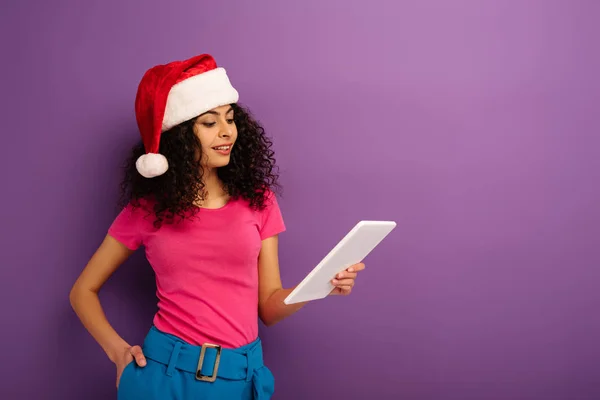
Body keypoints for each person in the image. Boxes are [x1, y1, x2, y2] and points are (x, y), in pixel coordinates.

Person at [69, 53, 365, 400]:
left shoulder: (259, 200)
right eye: (210, 123)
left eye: (230, 119)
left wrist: (321, 285)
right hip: (164, 378)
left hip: (239, 379)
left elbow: (268, 308)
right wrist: (118, 352)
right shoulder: (148, 210)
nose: (227, 131)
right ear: (179, 136)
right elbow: (82, 292)